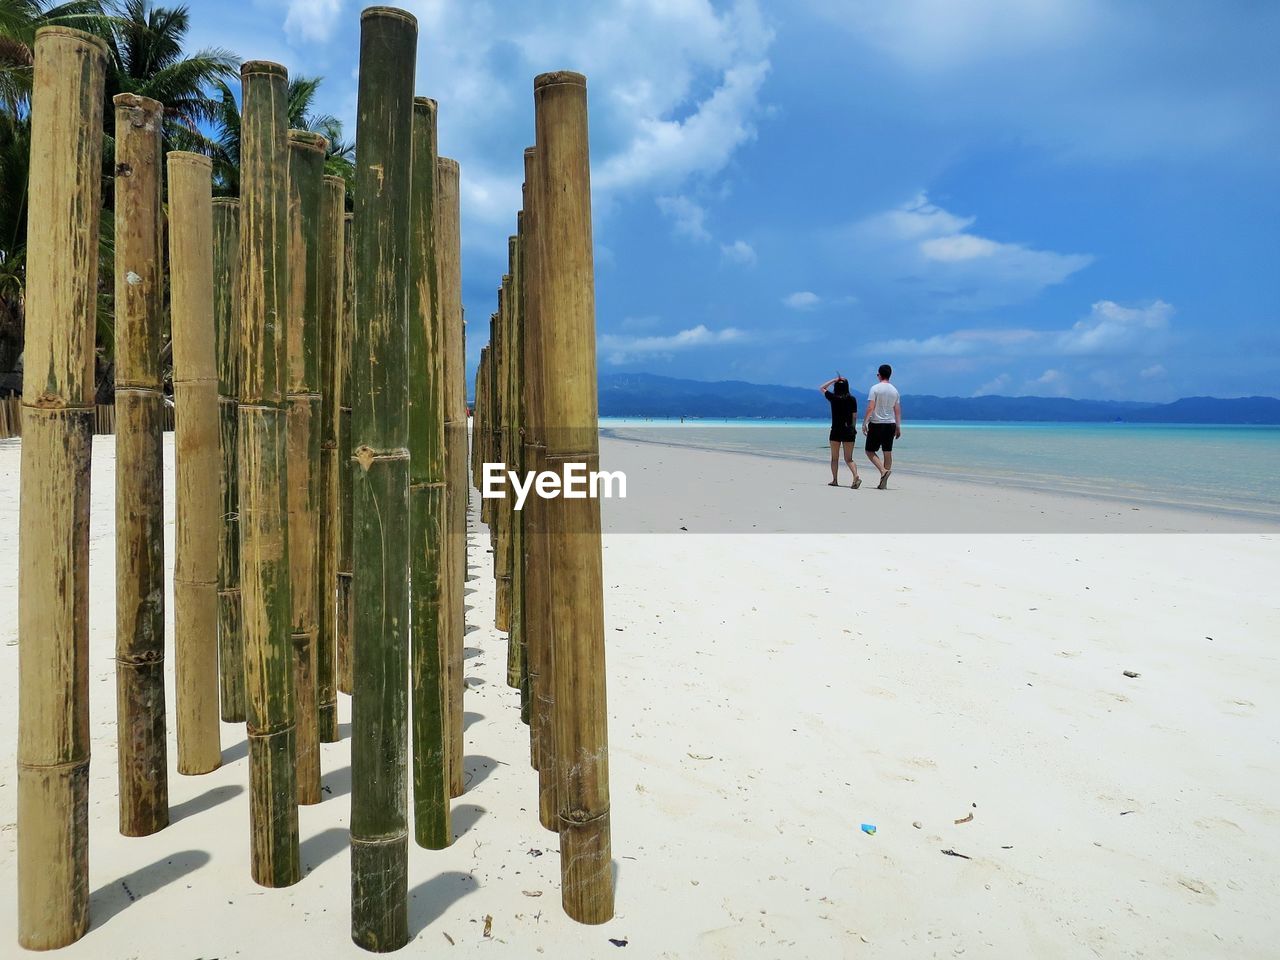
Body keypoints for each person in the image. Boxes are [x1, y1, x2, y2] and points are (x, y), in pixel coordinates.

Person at [818, 375, 861, 488]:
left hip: (836, 430)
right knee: (849, 458)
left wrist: (833, 380)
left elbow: (822, 388)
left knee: (835, 458)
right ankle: (855, 475)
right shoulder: (852, 399)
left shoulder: (833, 398)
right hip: (849, 431)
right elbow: (854, 416)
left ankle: (835, 480)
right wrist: (853, 428)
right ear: (847, 387)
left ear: (836, 386)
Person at [863, 363, 901, 489]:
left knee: (869, 451)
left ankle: (883, 471)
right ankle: (884, 482)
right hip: (890, 424)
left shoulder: (875, 388)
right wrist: (898, 427)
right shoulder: (895, 390)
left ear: (879, 374)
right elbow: (897, 410)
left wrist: (865, 423)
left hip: (877, 424)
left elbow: (870, 407)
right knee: (887, 452)